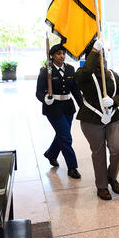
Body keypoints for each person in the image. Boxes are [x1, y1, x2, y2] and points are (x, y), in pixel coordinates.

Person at [75, 39, 119, 200]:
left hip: (113, 118)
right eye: (98, 55)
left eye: (103, 54)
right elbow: (85, 72)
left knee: (118, 149)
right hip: (91, 120)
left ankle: (111, 177)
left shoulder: (112, 74)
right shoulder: (82, 74)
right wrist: (94, 51)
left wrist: (114, 101)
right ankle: (102, 186)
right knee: (99, 153)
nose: (101, 58)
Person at [36, 43, 82, 179]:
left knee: (62, 134)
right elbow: (38, 92)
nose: (62, 56)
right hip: (53, 108)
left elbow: (75, 89)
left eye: (63, 53)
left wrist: (83, 106)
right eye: (58, 54)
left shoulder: (70, 69)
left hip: (68, 107)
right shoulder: (46, 70)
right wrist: (45, 98)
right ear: (52, 56)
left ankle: (51, 154)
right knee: (66, 137)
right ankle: (72, 167)